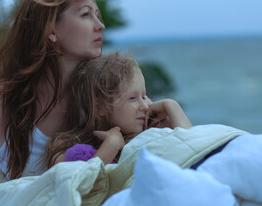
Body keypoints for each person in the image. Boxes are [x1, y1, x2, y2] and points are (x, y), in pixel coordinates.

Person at [0, 0, 105, 205]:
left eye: (97, 15)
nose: (100, 25)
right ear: (51, 30)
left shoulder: (103, 97)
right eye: (86, 14)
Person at [45, 52, 192, 167]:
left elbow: (194, 148)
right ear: (100, 107)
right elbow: (78, 185)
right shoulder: (74, 151)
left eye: (144, 95)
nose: (145, 106)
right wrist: (111, 146)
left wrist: (171, 106)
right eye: (133, 98)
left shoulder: (147, 136)